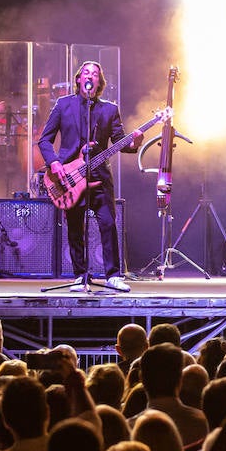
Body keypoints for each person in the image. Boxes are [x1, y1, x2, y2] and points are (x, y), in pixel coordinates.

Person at [36, 61, 141, 292]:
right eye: (86, 72)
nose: (90, 76)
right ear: (78, 79)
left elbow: (122, 143)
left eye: (95, 73)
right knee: (75, 226)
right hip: (69, 176)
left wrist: (136, 142)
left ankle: (113, 275)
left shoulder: (109, 110)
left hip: (99, 176)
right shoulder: (63, 105)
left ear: (99, 82)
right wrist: (54, 163)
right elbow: (44, 140)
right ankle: (79, 274)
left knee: (108, 224)